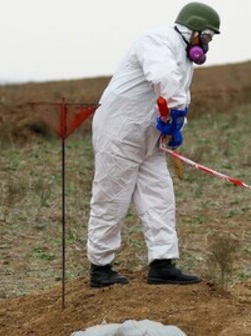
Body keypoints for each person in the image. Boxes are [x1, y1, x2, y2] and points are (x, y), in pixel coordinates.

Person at [86, 2, 221, 288]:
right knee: (112, 197)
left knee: (160, 196)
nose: (206, 46)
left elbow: (179, 91)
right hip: (119, 132)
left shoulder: (184, 57)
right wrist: (177, 110)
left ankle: (162, 263)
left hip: (149, 138)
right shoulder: (157, 41)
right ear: (192, 31)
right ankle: (100, 267)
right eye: (206, 37)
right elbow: (164, 80)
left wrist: (176, 129)